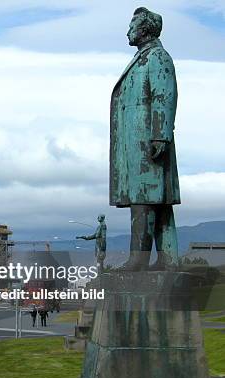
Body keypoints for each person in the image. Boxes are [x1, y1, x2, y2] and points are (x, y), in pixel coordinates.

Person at [110, 7, 180, 271]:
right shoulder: (143, 58)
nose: (128, 30)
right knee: (158, 202)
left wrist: (160, 135)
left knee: (145, 199)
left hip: (147, 142)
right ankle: (168, 259)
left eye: (132, 25)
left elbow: (164, 95)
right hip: (137, 143)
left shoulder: (157, 57)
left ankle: (138, 259)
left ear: (145, 29)